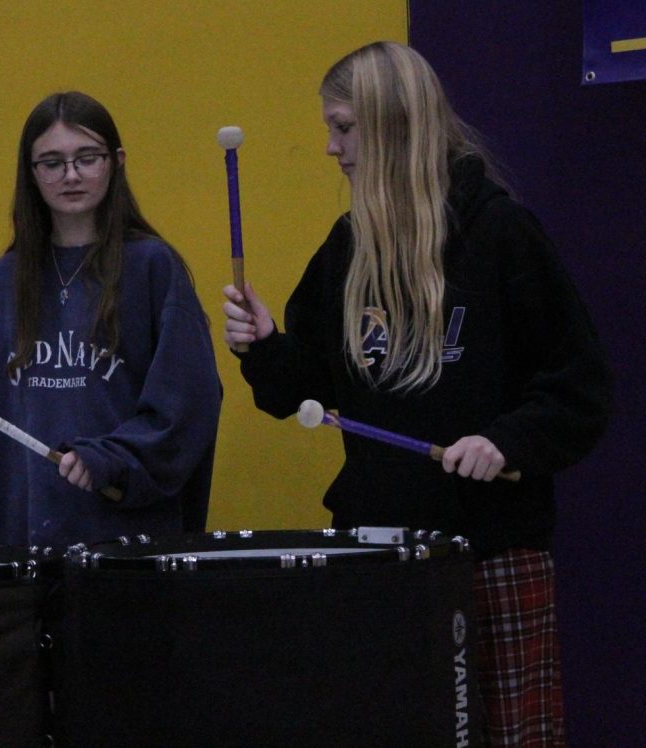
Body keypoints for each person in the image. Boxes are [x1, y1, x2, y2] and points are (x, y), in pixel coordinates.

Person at [222, 42, 612, 746]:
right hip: (377, 550)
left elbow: (579, 388)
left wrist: (505, 441)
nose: (330, 148)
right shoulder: (350, 247)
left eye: (343, 128)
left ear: (393, 125)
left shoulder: (499, 233)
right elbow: (302, 388)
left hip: (489, 554)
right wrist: (262, 343)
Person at [0, 91, 221, 548]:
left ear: (117, 161)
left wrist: (111, 459)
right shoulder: (8, 277)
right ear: (31, 172)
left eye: (87, 158)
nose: (71, 175)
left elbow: (188, 407)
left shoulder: (152, 266)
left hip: (126, 539)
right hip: (28, 535)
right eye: (52, 162)